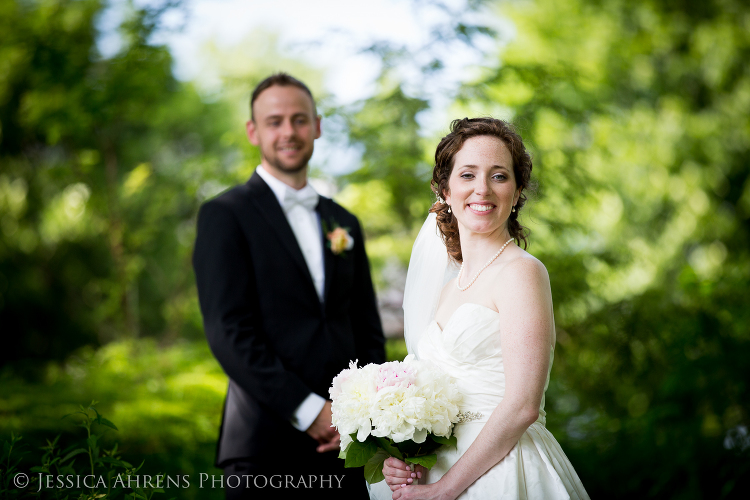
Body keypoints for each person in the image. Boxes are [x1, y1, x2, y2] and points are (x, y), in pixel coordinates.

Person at [370, 117, 589, 500]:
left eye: (499, 176)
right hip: (439, 469)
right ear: (445, 189)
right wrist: (402, 452)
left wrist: (447, 490)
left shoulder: (522, 272)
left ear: (518, 191)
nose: (482, 189)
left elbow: (523, 406)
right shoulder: (445, 290)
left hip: (500, 472)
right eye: (468, 175)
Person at [193, 72, 385, 499]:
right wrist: (312, 411)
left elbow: (366, 329)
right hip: (264, 446)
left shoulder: (344, 221)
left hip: (346, 446)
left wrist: (361, 416)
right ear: (253, 131)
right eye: (275, 121)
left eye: (299, 120)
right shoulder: (225, 215)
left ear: (317, 126)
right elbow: (229, 332)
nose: (288, 132)